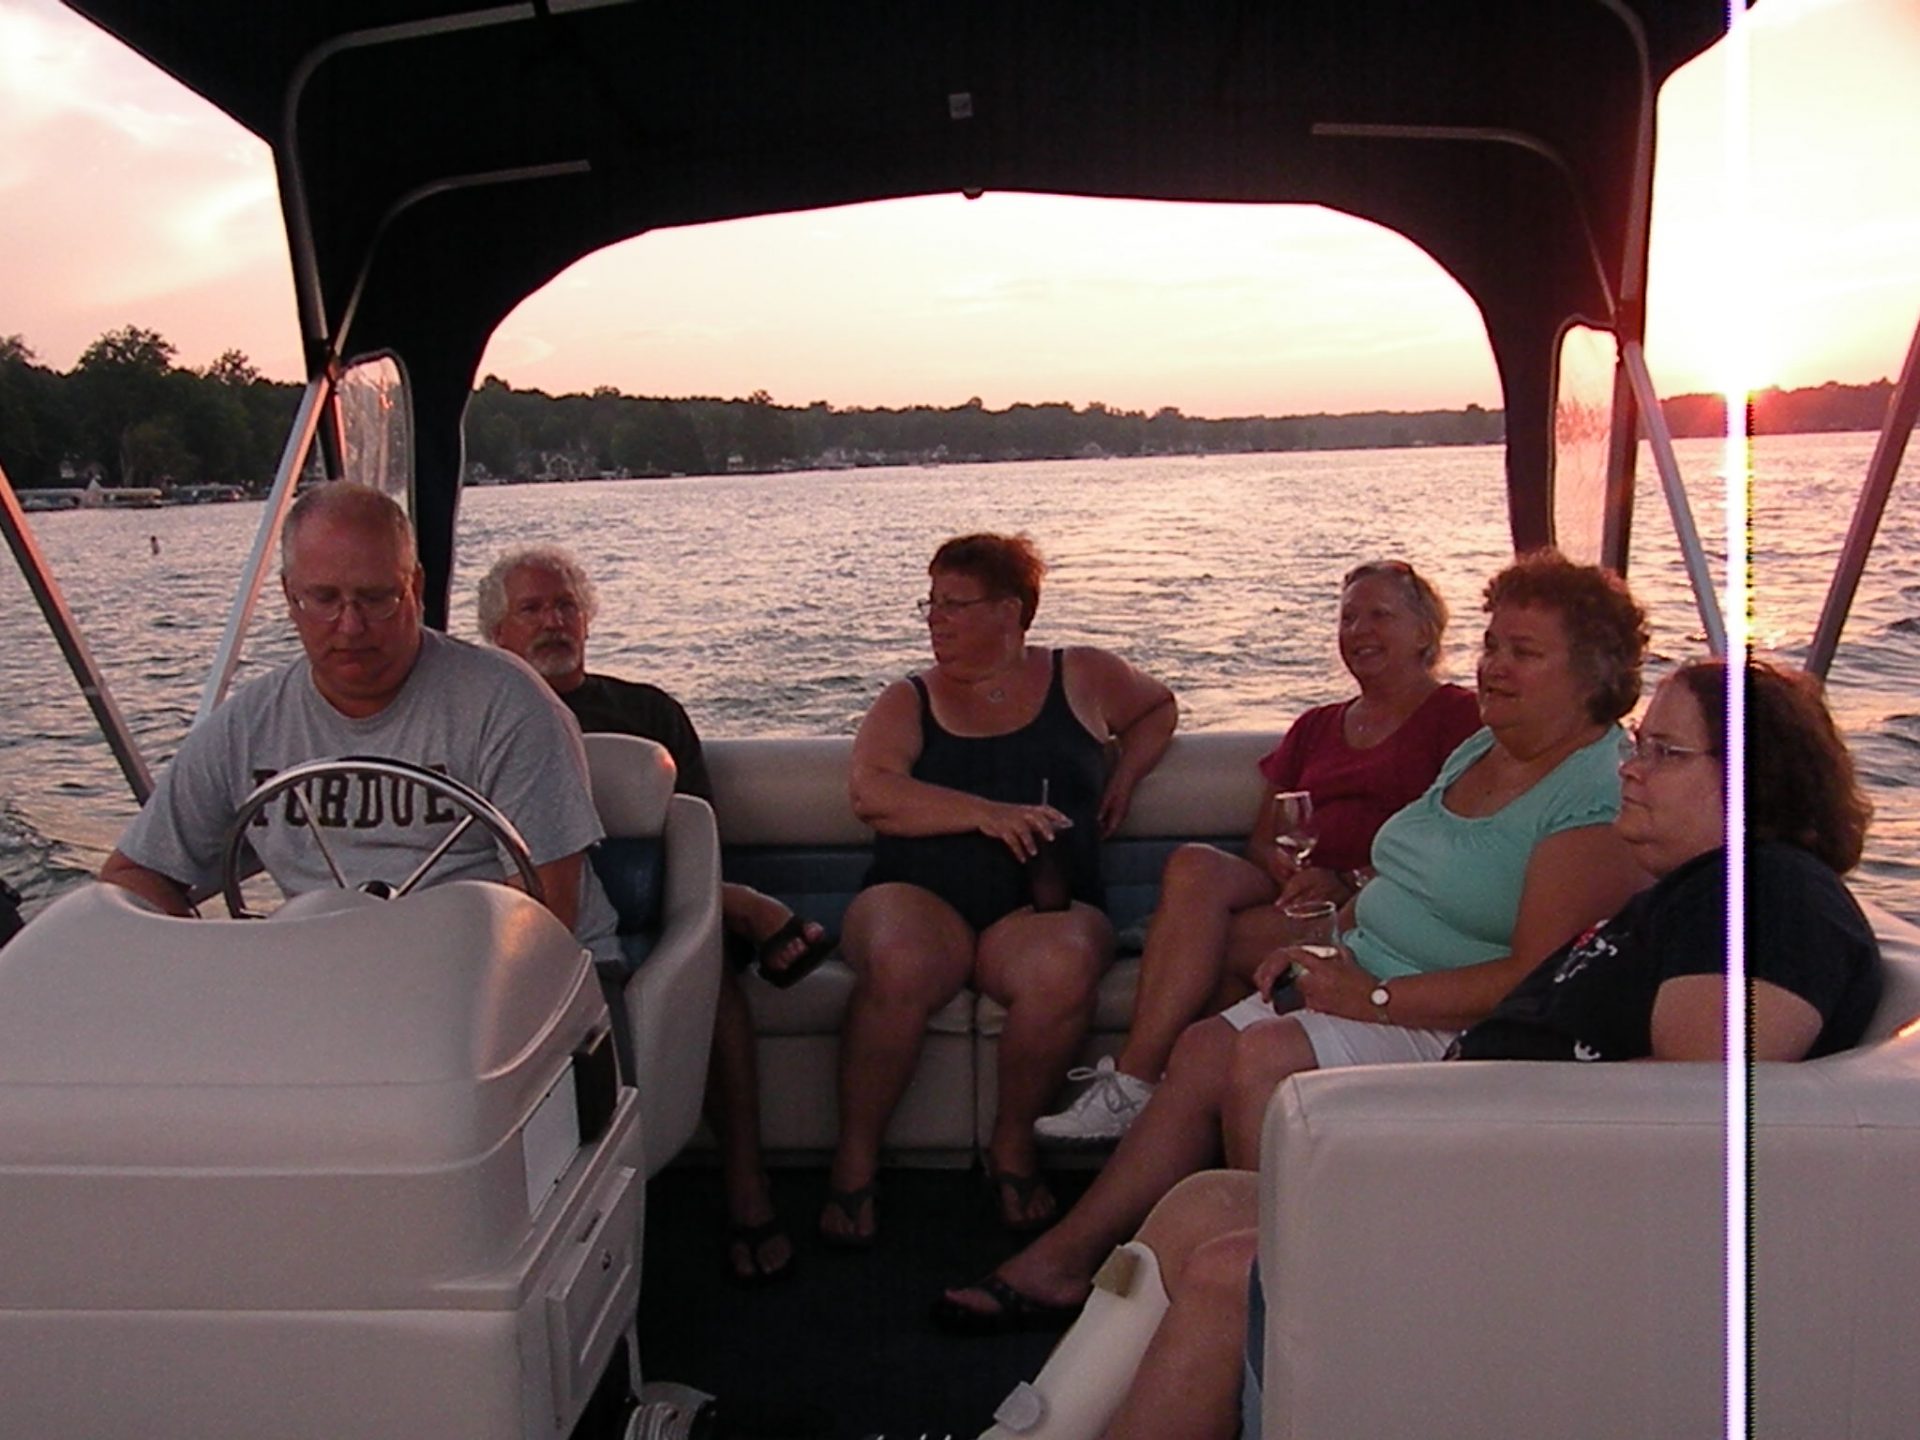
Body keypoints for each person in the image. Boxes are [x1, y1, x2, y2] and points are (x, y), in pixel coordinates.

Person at [991, 656, 1886, 1440]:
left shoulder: (1764, 894)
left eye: (1664, 752)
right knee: (1198, 1205)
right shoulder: (1685, 895)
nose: (1631, 768)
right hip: (1488, 1161)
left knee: (1236, 1265)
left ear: (1751, 782)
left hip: (1553, 1212)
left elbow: (1693, 1107)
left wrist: (1442, 1129)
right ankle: (1039, 1428)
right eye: (1638, 743)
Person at [936, 548, 1649, 1329]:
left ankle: (1284, 1299)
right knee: (1205, 1044)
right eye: (1492, 646)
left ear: (1592, 675)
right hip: (1368, 969)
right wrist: (1332, 942)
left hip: (1454, 1024)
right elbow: (1411, 879)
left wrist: (1366, 994)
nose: (1493, 668)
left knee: (1262, 1053)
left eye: (1524, 653)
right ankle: (1068, 1262)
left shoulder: (1591, 791)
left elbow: (1534, 984)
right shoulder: (1487, 744)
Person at [479, 543, 833, 1286]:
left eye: (566, 606)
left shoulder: (646, 712)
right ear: (497, 635)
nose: (554, 623)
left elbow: (698, 833)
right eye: (533, 609)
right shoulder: (484, 720)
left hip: (663, 901)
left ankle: (748, 1191)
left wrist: (705, 899)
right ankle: (752, 914)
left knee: (711, 987)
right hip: (525, 915)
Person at [1035, 559, 1481, 1143]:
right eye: (1347, 618)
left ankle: (1148, 1093)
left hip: (1377, 909)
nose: (1358, 631)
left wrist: (1349, 880)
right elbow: (1265, 837)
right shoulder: (1316, 725)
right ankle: (1168, 1103)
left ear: (1426, 631)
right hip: (1295, 894)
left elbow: (1457, 845)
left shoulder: (1459, 718)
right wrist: (1283, 863)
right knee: (1195, 864)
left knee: (1214, 967)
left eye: (1379, 615)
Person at [823, 533, 1179, 1246]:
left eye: (954, 604)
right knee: (901, 960)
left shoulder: (1083, 675)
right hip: (918, 895)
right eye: (931, 603)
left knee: (1063, 964)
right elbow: (873, 794)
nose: (934, 619)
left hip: (1042, 908)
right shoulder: (908, 699)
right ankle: (854, 1159)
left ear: (1011, 611)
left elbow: (1157, 709)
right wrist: (988, 815)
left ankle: (1012, 1145)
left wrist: (1127, 775)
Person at [99, 483, 618, 965]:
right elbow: (131, 877)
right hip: (325, 988)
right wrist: (202, 963)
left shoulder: (508, 705)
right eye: (323, 599)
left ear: (414, 586)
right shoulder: (247, 728)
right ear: (288, 596)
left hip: (520, 979)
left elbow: (544, 918)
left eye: (375, 598)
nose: (349, 626)